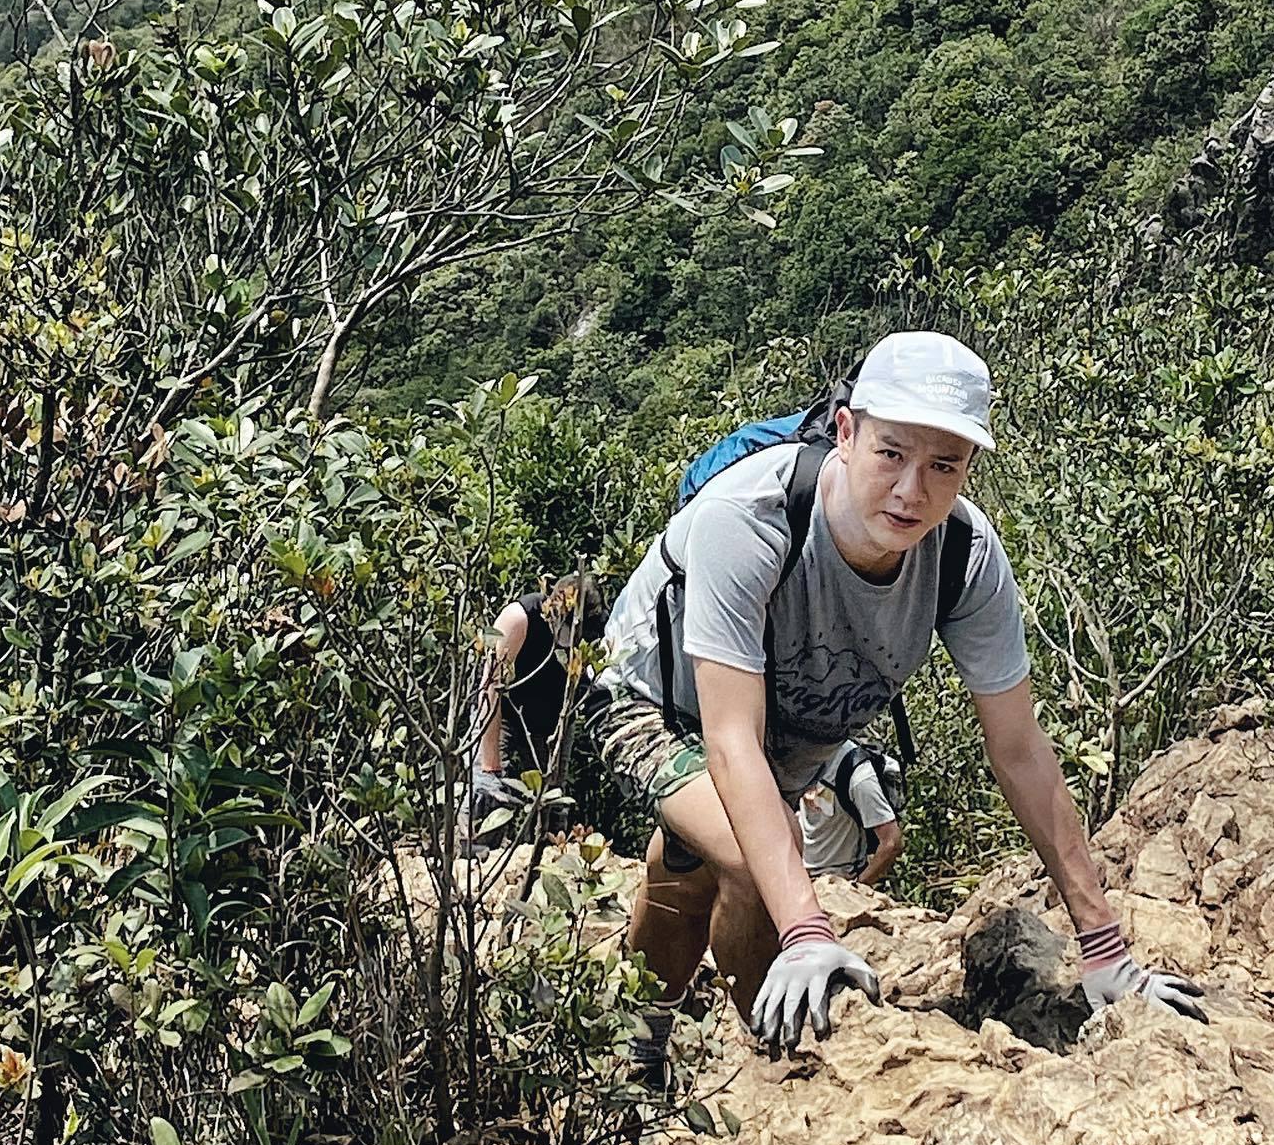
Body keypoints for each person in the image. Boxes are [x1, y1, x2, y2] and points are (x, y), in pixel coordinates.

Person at [590, 331, 1207, 1068]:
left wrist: (1105, 949)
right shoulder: (752, 516)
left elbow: (1020, 750)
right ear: (847, 432)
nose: (913, 490)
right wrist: (808, 932)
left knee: (694, 865)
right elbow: (728, 742)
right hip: (652, 698)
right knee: (760, 855)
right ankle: (780, 1060)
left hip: (785, 732)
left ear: (969, 467)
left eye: (943, 464)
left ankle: (632, 1052)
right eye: (891, 453)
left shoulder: (965, 558)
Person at [468, 572, 608, 827]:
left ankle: (546, 857)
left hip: (553, 721)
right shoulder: (518, 617)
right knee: (486, 796)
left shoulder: (596, 626)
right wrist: (490, 766)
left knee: (552, 803)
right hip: (504, 713)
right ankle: (469, 857)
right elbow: (488, 690)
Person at [800, 741, 904, 886]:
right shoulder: (797, 757)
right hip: (799, 876)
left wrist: (858, 887)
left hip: (838, 882)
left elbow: (891, 842)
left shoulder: (858, 776)